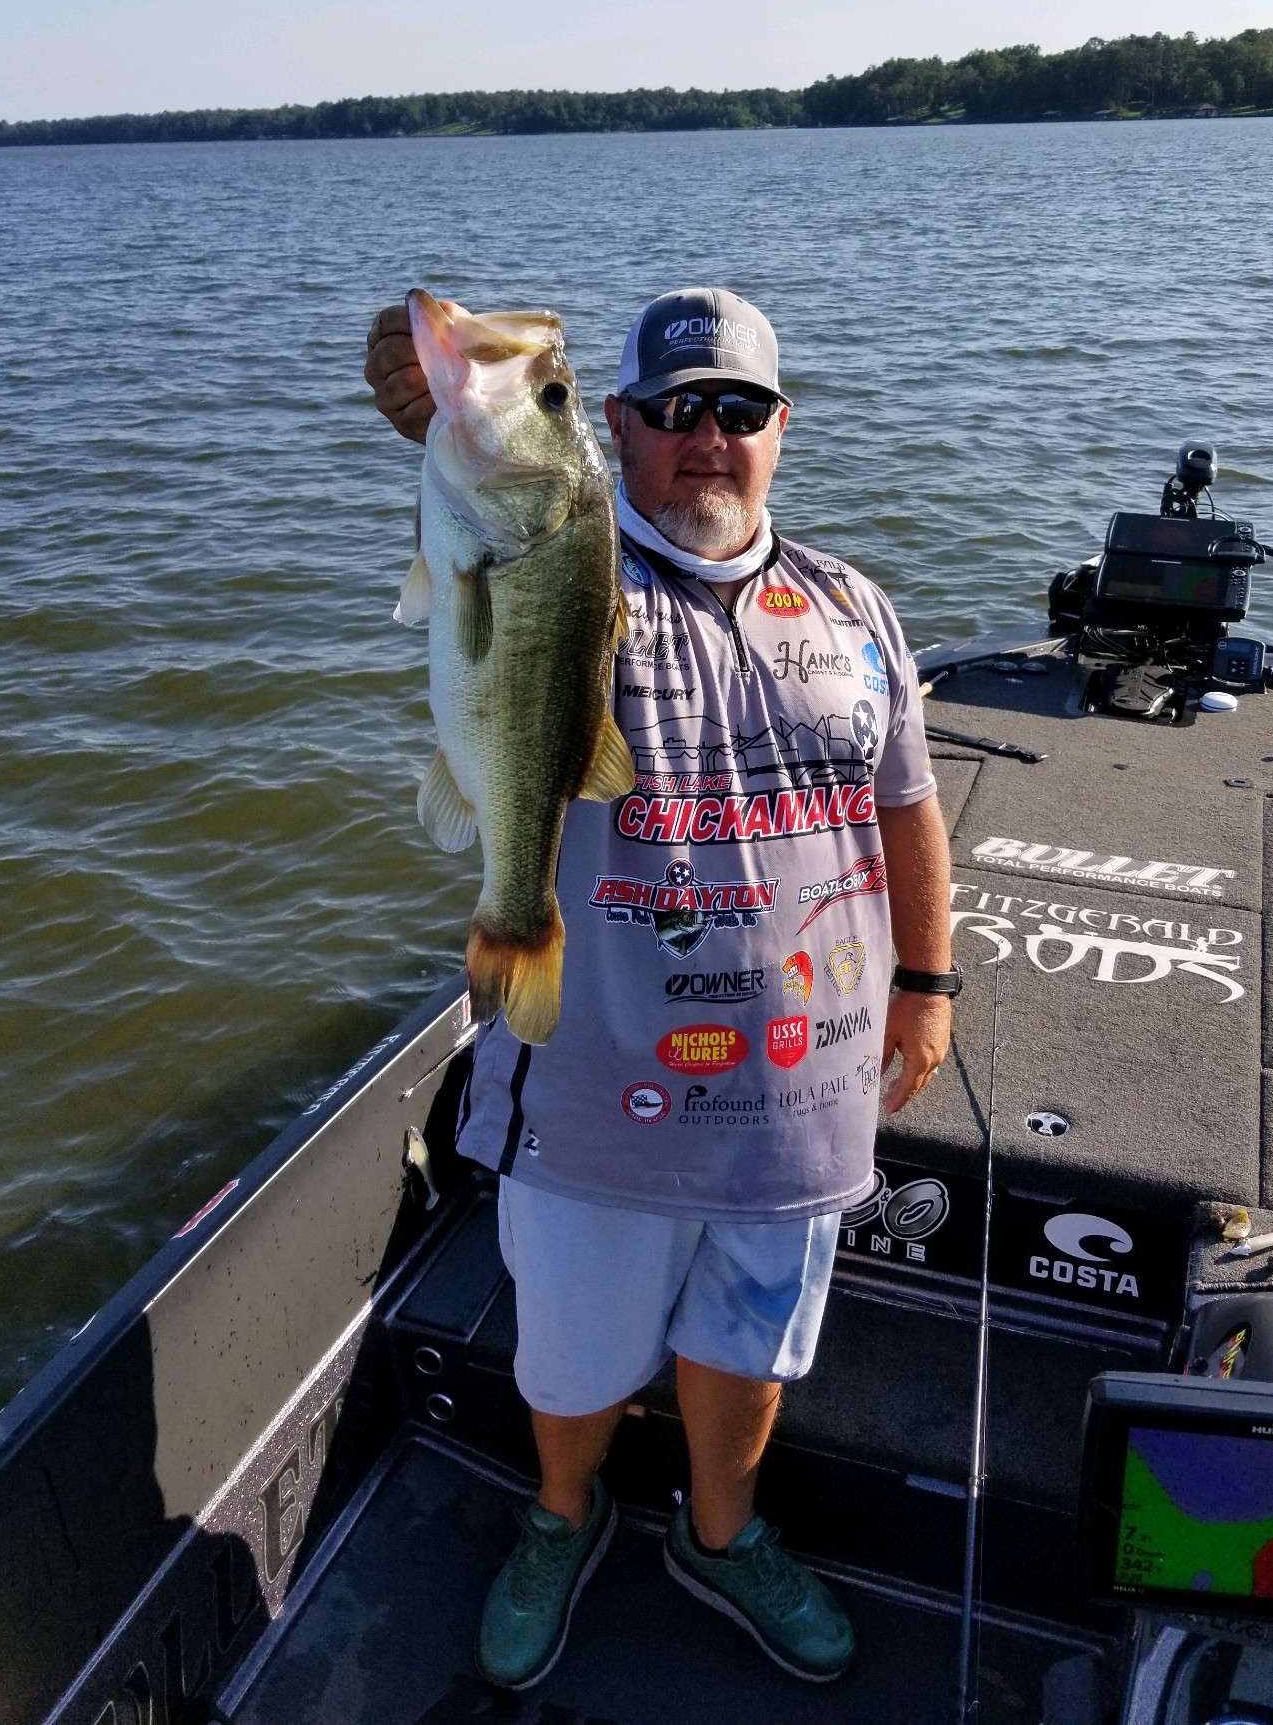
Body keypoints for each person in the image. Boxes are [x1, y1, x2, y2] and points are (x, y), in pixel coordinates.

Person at [365, 285, 956, 1689]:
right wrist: (425, 393)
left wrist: (930, 981)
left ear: (781, 428)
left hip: (802, 1092)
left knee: (749, 1344)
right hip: (593, 1080)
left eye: (738, 409)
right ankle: (561, 1514)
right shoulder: (570, 558)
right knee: (573, 1357)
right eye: (674, 408)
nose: (708, 436)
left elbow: (908, 804)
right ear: (618, 430)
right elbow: (481, 486)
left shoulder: (856, 604)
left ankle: (721, 1531)